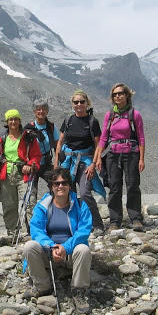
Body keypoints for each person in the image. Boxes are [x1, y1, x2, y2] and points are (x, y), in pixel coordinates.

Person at [24, 167, 92, 313]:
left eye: (64, 182)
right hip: (50, 252)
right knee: (30, 246)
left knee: (83, 249)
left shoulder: (80, 205)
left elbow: (83, 231)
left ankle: (78, 290)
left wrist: (65, 247)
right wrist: (52, 246)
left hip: (70, 252)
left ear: (69, 185)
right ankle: (42, 286)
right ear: (51, 187)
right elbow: (36, 230)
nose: (60, 186)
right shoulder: (43, 206)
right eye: (56, 183)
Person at [94, 84, 146, 231]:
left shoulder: (135, 114)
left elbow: (141, 138)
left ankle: (135, 218)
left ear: (127, 95)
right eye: (115, 94)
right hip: (112, 155)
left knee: (133, 186)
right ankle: (115, 221)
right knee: (115, 187)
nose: (118, 96)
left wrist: (142, 159)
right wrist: (98, 157)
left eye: (121, 93)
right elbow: (103, 138)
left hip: (131, 154)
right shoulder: (109, 115)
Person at [54, 90, 106, 233]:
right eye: (76, 102)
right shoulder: (68, 120)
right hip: (68, 162)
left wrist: (93, 164)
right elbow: (60, 143)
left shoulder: (92, 121)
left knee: (84, 193)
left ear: (87, 103)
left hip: (85, 162)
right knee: (68, 193)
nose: (78, 105)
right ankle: (73, 224)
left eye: (81, 102)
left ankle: (97, 224)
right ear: (72, 104)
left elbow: (98, 145)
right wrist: (56, 164)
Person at [0, 110, 41, 237]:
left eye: (16, 119)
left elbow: (36, 155)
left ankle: (35, 233)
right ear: (6, 122)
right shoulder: (2, 139)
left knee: (30, 203)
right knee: (9, 205)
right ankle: (12, 233)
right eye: (10, 119)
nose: (13, 122)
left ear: (19, 121)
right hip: (6, 175)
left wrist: (30, 164)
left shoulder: (28, 137)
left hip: (23, 175)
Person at [23, 99, 60, 210]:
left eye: (44, 109)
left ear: (47, 111)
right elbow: (23, 149)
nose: (41, 111)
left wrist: (56, 164)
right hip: (33, 165)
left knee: (56, 186)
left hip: (47, 163)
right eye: (38, 109)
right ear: (34, 112)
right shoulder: (28, 128)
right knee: (31, 194)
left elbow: (57, 147)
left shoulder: (51, 127)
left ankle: (53, 212)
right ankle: (31, 222)